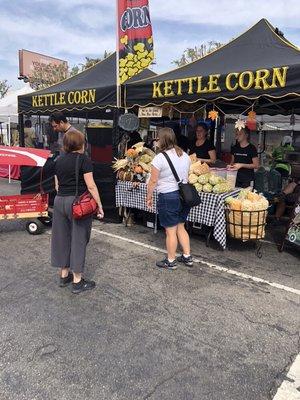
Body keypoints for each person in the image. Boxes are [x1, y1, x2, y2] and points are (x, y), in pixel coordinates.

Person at [51, 129, 104, 294]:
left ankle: (64, 275)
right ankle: (77, 281)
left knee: (62, 239)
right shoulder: (84, 160)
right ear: (81, 144)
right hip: (77, 203)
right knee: (78, 239)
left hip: (59, 201)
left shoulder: (58, 160)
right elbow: (91, 185)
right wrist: (99, 205)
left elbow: (57, 185)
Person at [147, 127, 193, 270]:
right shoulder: (184, 155)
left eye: (157, 138)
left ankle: (171, 260)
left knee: (170, 231)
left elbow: (153, 181)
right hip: (183, 196)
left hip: (168, 196)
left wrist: (148, 197)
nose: (156, 141)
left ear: (162, 140)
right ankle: (187, 256)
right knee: (180, 226)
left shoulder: (160, 158)